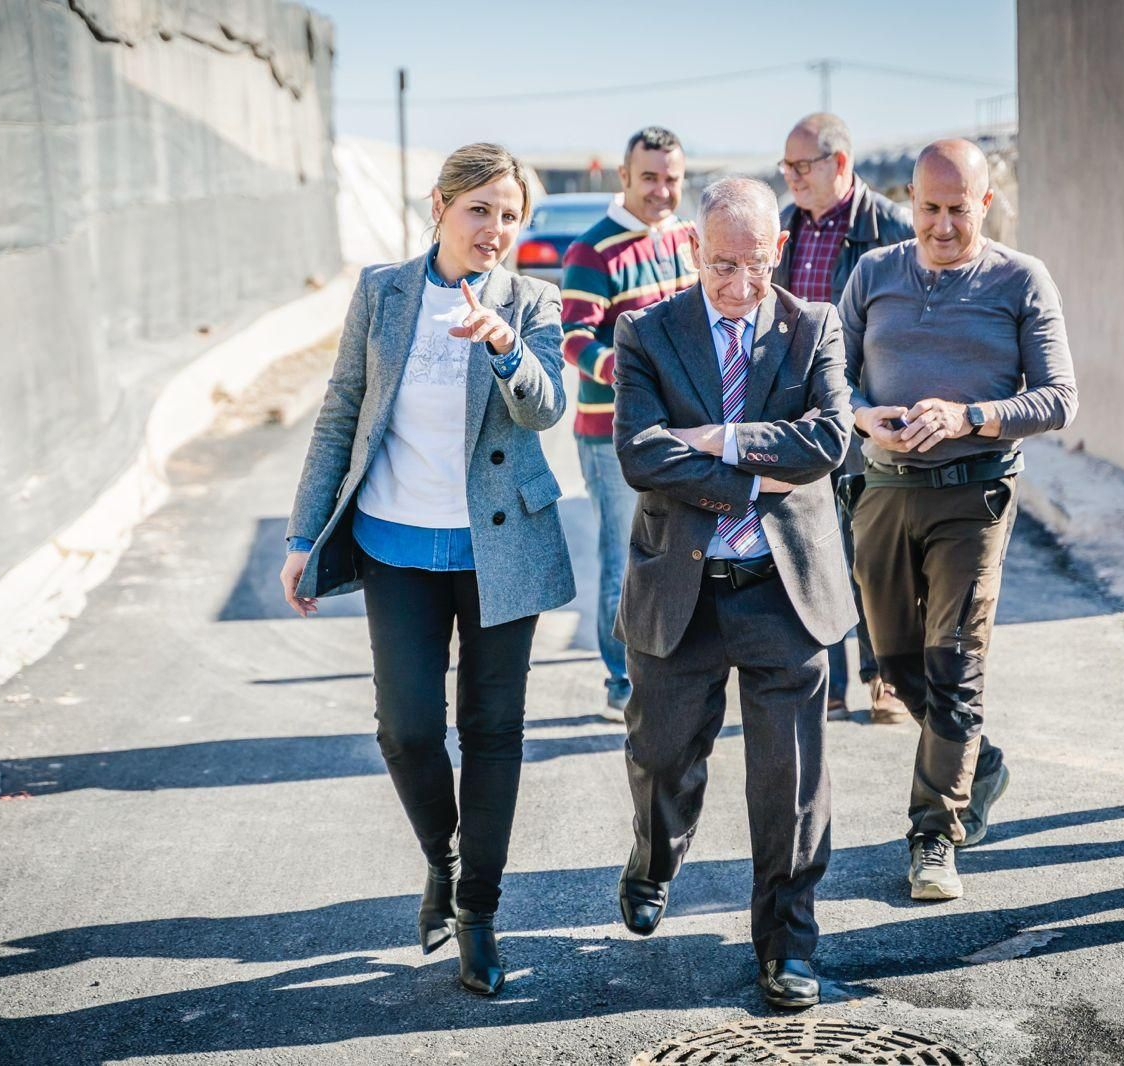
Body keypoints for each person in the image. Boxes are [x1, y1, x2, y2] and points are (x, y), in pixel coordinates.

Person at [278, 143, 575, 997]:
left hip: (501, 550)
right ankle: (443, 858)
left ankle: (478, 912)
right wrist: (304, 536)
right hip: (395, 543)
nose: (495, 228)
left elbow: (546, 407)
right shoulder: (383, 292)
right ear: (439, 205)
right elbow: (341, 413)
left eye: (510, 213)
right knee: (406, 728)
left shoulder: (535, 302)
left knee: (492, 734)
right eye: (479, 208)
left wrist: (508, 347)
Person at [610, 177, 855, 1010]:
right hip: (682, 587)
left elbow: (827, 439)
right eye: (721, 266)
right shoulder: (645, 330)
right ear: (693, 249)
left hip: (783, 589)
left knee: (789, 783)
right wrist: (754, 481)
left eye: (753, 266)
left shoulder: (814, 325)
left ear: (776, 251)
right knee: (662, 753)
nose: (739, 286)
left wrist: (722, 440)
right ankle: (654, 856)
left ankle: (787, 946)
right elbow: (641, 455)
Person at [842, 139, 1077, 901]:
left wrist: (970, 415)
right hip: (880, 490)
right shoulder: (874, 273)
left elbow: (1057, 398)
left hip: (972, 497)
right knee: (893, 662)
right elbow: (831, 380)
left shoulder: (1020, 279)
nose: (943, 226)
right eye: (929, 209)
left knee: (954, 665)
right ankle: (981, 759)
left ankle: (933, 836)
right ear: (909, 201)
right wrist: (862, 416)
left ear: (985, 201)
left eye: (958, 209)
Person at [773, 111, 915, 723]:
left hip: (867, 405)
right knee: (810, 541)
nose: (792, 178)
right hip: (799, 410)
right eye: (786, 167)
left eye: (801, 166)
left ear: (840, 163)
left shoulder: (891, 228)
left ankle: (883, 675)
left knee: (874, 550)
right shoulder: (784, 227)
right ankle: (827, 681)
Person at [561, 127, 697, 721]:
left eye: (671, 178)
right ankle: (621, 679)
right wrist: (641, 371)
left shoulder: (691, 240)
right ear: (623, 177)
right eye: (649, 178)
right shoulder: (593, 251)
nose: (661, 190)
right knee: (624, 556)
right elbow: (574, 342)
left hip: (681, 432)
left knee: (674, 551)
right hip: (610, 433)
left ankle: (667, 667)